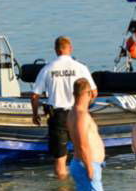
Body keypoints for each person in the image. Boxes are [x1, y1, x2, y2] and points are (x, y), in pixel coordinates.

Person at [31, 36, 96, 179]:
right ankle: (88, 179)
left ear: (55, 50)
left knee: (60, 159)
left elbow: (35, 96)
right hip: (78, 113)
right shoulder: (80, 67)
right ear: (70, 48)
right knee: (84, 151)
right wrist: (85, 107)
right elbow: (94, 92)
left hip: (58, 117)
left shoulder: (47, 69)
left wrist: (35, 114)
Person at [67, 78, 106, 191]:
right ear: (88, 93)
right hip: (86, 164)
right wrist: (90, 167)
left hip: (80, 163)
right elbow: (82, 143)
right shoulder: (81, 114)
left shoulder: (72, 112)